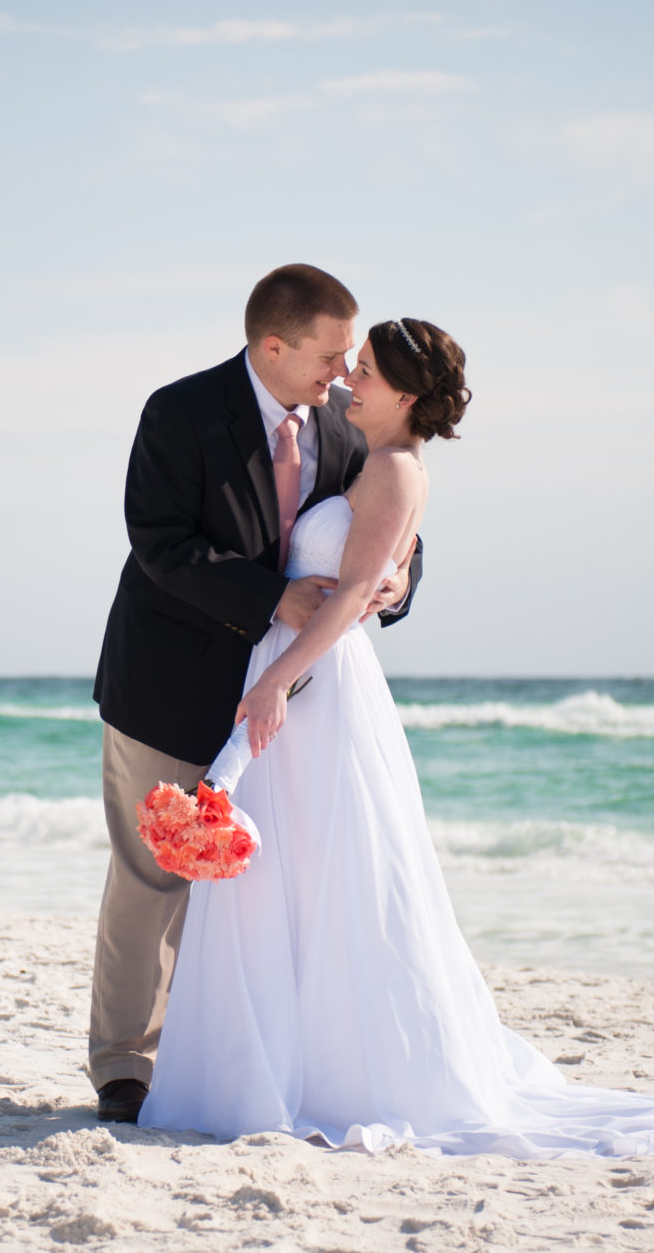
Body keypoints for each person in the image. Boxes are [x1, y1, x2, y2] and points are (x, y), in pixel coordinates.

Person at [138, 318, 654, 1156]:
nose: (345, 382)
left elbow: (353, 592)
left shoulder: (398, 471)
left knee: (339, 878)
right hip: (301, 672)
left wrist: (273, 679)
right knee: (293, 880)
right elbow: (353, 571)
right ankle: (273, 1059)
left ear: (405, 396)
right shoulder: (365, 459)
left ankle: (330, 1066)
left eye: (363, 372)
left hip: (318, 684)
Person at [88, 264, 422, 1125]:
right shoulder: (179, 412)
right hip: (170, 679)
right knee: (154, 873)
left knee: (263, 890)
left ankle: (233, 1060)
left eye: (352, 358)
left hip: (287, 703)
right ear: (273, 346)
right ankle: (126, 1063)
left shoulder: (343, 426)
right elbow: (160, 544)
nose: (345, 373)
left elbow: (388, 524)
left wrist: (396, 581)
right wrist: (271, 598)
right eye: (330, 354)